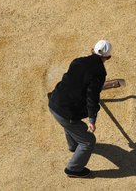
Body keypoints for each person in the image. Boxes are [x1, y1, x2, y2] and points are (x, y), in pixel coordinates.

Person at [48, 40, 112, 178]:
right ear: (108, 57)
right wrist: (92, 118)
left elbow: (70, 81)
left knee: (70, 125)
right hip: (66, 112)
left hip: (54, 102)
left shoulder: (78, 61)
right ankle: (73, 169)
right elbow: (92, 96)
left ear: (92, 50)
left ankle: (73, 146)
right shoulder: (100, 72)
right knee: (88, 141)